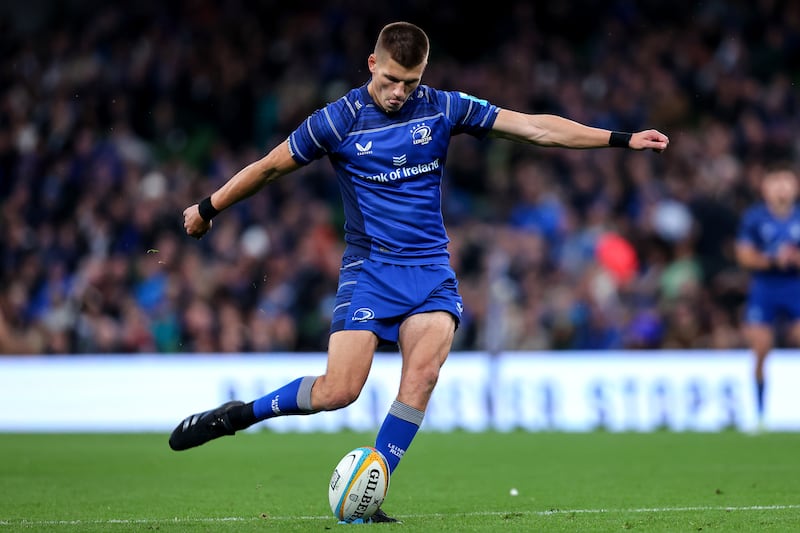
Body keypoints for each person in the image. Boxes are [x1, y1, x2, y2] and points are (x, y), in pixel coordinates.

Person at [168, 21, 669, 522]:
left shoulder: (443, 107)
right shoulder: (338, 121)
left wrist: (620, 139)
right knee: (338, 392)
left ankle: (372, 489)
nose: (399, 92)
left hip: (429, 270)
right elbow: (269, 167)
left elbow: (535, 127)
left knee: (422, 376)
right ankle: (238, 415)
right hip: (370, 271)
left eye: (410, 82)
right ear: (372, 64)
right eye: (390, 79)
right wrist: (208, 208)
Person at [735, 166, 800, 432]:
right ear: (765, 188)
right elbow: (744, 256)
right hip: (765, 287)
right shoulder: (754, 218)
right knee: (761, 347)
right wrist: (774, 260)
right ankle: (760, 414)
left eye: (786, 181)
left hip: (795, 286)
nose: (782, 187)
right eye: (776, 181)